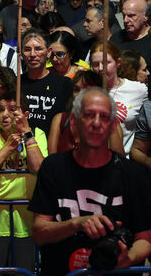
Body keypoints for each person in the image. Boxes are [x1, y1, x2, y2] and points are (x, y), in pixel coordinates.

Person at [29, 88, 151, 275]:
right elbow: (38, 232)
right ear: (74, 123)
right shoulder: (53, 167)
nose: (96, 123)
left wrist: (129, 257)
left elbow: (145, 239)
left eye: (104, 117)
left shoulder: (133, 174)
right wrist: (76, 224)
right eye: (88, 115)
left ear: (112, 127)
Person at [0, 97, 47, 270]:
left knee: (25, 273)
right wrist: (7, 148)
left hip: (27, 221)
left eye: (12, 110)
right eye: (0, 109)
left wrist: (27, 133)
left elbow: (39, 168)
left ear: (25, 114)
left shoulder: (37, 133)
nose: (5, 115)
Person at [90, 42, 147, 152]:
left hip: (124, 159)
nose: (101, 68)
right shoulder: (88, 90)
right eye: (96, 64)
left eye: (106, 63)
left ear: (118, 63)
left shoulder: (138, 90)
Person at [21, 29, 73, 134]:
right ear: (21, 52)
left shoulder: (64, 84)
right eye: (27, 49)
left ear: (48, 52)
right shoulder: (15, 83)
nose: (32, 54)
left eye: (38, 49)